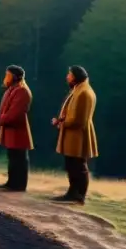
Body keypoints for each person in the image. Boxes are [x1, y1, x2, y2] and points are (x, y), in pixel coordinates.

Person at [51, 65, 98, 205]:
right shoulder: (80, 90)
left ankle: (79, 195)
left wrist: (60, 122)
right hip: (73, 135)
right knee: (72, 164)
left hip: (78, 135)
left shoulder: (84, 92)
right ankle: (72, 193)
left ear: (76, 77)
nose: (67, 77)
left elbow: (78, 119)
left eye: (70, 75)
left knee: (79, 165)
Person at [0, 65, 33, 192]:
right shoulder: (12, 89)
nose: (5, 78)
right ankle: (12, 182)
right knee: (13, 157)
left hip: (18, 131)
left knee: (19, 157)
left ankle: (19, 185)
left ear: (14, 76)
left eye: (7, 75)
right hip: (11, 131)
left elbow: (14, 114)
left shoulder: (22, 91)